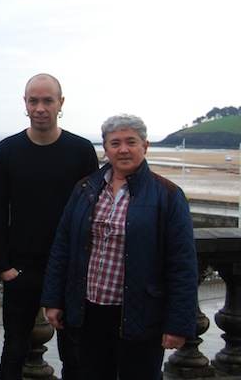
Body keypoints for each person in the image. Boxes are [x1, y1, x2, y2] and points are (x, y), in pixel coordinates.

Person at [41, 114, 198, 379]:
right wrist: (53, 300)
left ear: (145, 146)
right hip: (88, 312)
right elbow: (62, 247)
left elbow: (182, 264)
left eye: (131, 142)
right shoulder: (86, 189)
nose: (123, 149)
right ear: (105, 148)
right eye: (115, 143)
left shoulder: (168, 195)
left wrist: (178, 324)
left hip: (140, 314)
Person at [0, 73, 99, 380]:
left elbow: (92, 213)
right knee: (14, 349)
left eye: (47, 100)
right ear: (25, 104)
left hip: (69, 268)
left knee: (74, 353)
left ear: (60, 103)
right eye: (33, 101)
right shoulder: (8, 149)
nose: (40, 108)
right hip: (21, 267)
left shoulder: (81, 150)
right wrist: (3, 265)